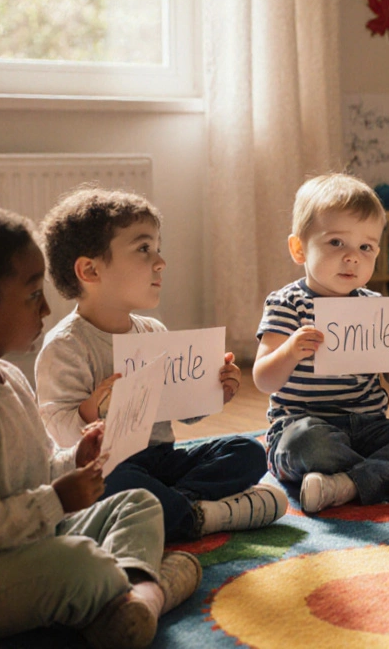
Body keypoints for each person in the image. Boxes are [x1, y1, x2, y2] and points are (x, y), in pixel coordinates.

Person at [0, 205, 200, 649]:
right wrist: (57, 499)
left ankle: (126, 600)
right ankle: (148, 593)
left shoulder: (7, 376)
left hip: (16, 545)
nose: (49, 307)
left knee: (138, 504)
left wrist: (74, 460)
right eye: (33, 294)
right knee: (77, 565)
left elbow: (28, 471)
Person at [37, 187, 284, 542]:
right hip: (109, 469)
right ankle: (199, 515)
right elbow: (59, 431)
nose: (160, 262)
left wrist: (215, 390)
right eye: (143, 249)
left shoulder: (152, 331)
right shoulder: (66, 346)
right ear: (90, 270)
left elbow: (181, 409)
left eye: (157, 248)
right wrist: (94, 407)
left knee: (248, 452)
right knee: (116, 484)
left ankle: (178, 508)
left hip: (163, 460)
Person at [253, 173, 389, 514]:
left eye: (365, 247)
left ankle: (346, 483)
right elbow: (264, 379)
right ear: (299, 249)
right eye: (337, 243)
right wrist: (290, 351)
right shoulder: (286, 303)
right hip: (305, 426)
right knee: (306, 444)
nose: (352, 257)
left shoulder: (374, 304)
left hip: (369, 427)